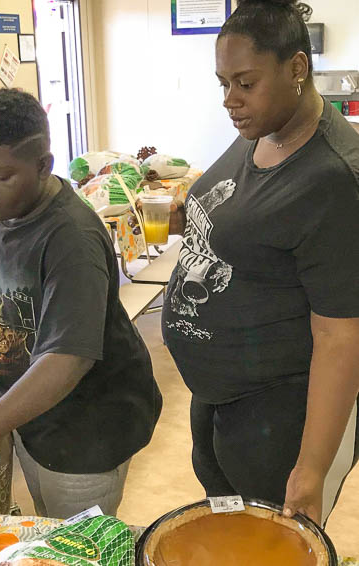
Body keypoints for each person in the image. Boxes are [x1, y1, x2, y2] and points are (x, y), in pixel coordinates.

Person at [0, 88, 162, 518]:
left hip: (87, 431)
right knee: (47, 525)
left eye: (0, 175)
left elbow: (64, 362)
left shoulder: (72, 240)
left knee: (79, 544)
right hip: (34, 421)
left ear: (43, 166)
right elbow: (4, 288)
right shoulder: (2, 210)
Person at [161, 0, 359, 526]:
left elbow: (342, 338)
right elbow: (253, 218)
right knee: (231, 534)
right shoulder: (265, 128)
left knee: (276, 547)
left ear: (297, 68)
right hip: (219, 402)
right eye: (222, 83)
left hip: (280, 420)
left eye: (245, 83)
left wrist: (312, 468)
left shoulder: (334, 178)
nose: (230, 100)